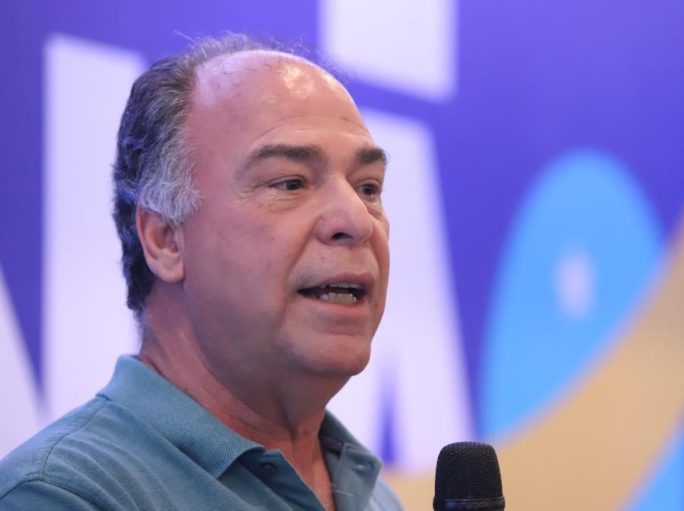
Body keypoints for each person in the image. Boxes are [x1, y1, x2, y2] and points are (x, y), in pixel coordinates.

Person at [0, 34, 401, 510]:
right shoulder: (64, 494)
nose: (357, 220)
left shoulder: (377, 498)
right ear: (165, 239)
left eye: (368, 188)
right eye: (290, 183)